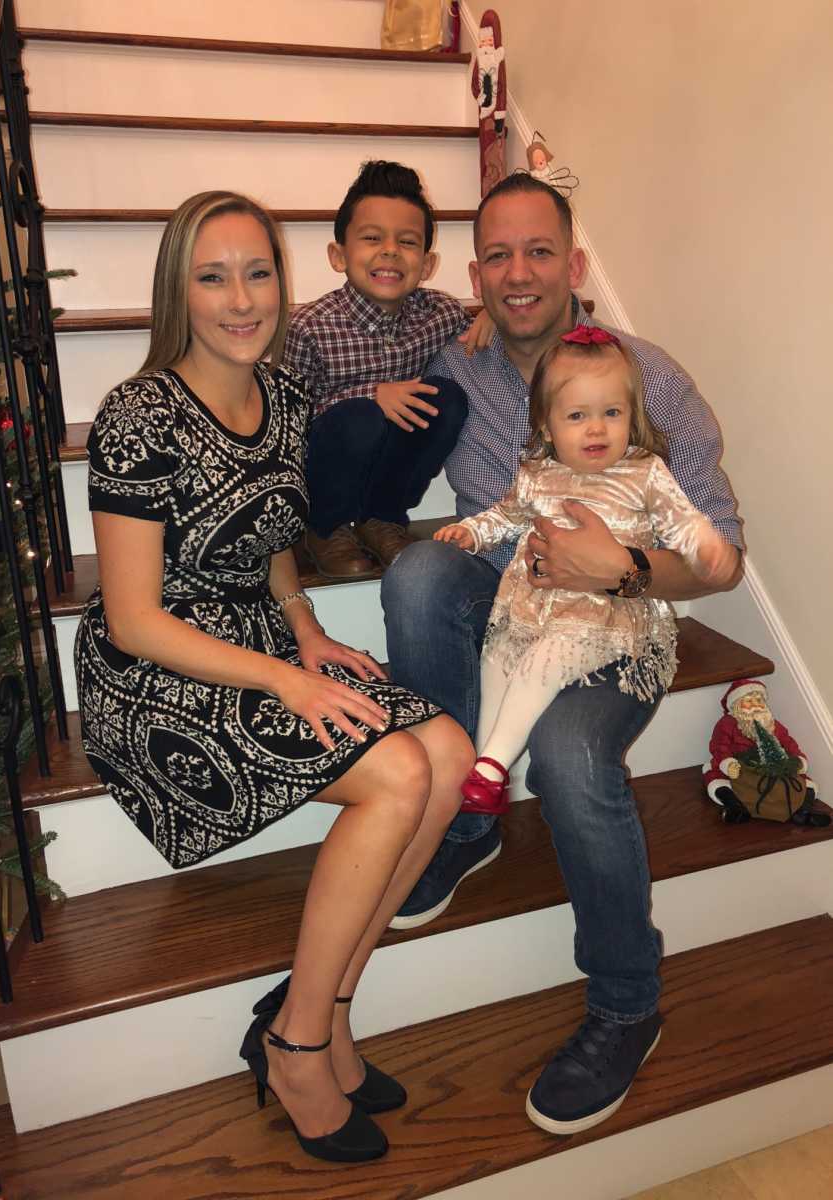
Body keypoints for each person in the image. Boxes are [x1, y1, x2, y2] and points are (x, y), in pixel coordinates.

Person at [74, 191, 474, 1163]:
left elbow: (266, 536)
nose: (241, 299)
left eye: (258, 273)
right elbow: (134, 617)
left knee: (449, 751)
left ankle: (324, 1009)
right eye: (213, 277)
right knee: (395, 776)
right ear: (180, 289)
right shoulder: (137, 414)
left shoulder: (287, 395)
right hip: (156, 674)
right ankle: (298, 1044)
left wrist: (303, 630)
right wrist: (286, 679)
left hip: (257, 639)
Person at [381, 172, 743, 1134]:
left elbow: (722, 560)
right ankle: (464, 824)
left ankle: (628, 1003)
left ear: (575, 264)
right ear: (474, 277)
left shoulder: (648, 378)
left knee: (575, 761)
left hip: (618, 626)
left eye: (539, 250)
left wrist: (618, 565)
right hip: (504, 607)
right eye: (497, 255)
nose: (520, 272)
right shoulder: (457, 370)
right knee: (417, 574)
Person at [434, 325, 736, 815]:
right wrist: (472, 531)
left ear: (632, 417)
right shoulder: (536, 472)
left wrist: (706, 547)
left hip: (600, 616)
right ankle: (486, 760)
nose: (597, 429)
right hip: (528, 607)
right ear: (549, 427)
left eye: (611, 413)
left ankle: (491, 765)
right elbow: (506, 516)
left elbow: (683, 521)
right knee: (498, 660)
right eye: (578, 416)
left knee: (543, 663)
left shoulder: (644, 471)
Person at [283, 160, 485, 578]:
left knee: (446, 398)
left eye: (407, 242)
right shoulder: (309, 327)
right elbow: (288, 424)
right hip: (327, 473)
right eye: (372, 238)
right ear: (338, 255)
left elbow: (481, 340)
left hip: (387, 474)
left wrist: (493, 317)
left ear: (427, 266)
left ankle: (382, 519)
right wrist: (371, 395)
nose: (390, 251)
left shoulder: (439, 314)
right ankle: (324, 530)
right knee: (361, 417)